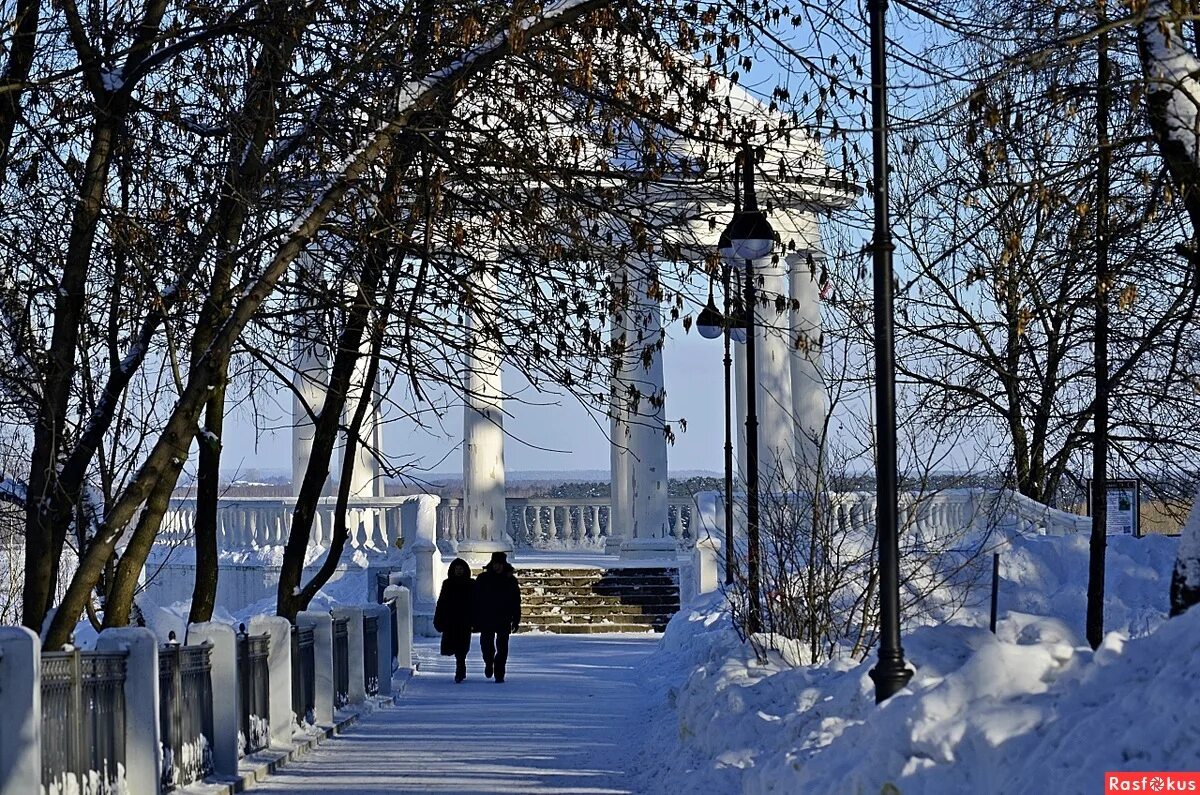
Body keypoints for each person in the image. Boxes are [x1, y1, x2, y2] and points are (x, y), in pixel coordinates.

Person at [473, 551, 521, 683]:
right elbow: (476, 599)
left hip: (504, 617)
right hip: (486, 617)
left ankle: (499, 672)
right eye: (495, 564)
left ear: (504, 564)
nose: (497, 567)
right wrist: (475, 617)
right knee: (486, 645)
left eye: (499, 564)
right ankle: (489, 662)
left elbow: (516, 601)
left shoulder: (510, 580)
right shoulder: (483, 579)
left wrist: (516, 619)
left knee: (502, 648)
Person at [433, 558, 475, 683]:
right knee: (454, 645)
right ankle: (460, 666)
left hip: (465, 620)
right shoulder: (447, 583)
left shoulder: (471, 584)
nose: (459, 571)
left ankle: (460, 668)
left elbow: (477, 603)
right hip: (451, 620)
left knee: (463, 647)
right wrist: (439, 619)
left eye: (461, 569)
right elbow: (441, 602)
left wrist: (476, 619)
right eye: (456, 569)